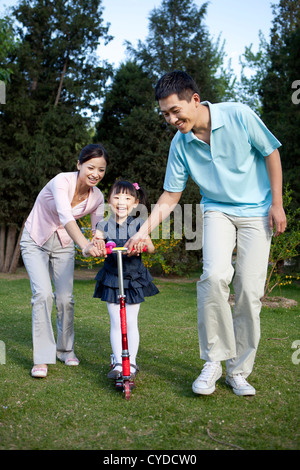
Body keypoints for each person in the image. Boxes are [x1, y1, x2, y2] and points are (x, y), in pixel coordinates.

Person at [126, 70, 287, 396]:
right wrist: (142, 231)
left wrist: (277, 204)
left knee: (249, 293)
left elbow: (271, 152)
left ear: (195, 100)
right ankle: (214, 360)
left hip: (257, 212)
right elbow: (170, 196)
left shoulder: (238, 115)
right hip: (216, 210)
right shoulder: (181, 144)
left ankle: (238, 371)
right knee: (213, 277)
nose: (171, 119)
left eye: (175, 111)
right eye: (165, 114)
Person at [20, 143, 109, 378]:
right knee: (43, 294)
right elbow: (65, 216)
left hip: (63, 244)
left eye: (101, 170)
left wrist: (98, 240)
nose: (96, 174)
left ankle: (65, 349)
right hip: (35, 239)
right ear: (78, 165)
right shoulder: (62, 181)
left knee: (65, 299)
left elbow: (97, 226)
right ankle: (42, 358)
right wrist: (85, 246)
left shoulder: (97, 197)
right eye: (91, 167)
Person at [93, 180, 159, 380]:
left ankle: (132, 361)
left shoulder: (139, 225)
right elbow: (96, 242)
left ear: (136, 202)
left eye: (127, 198)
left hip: (133, 278)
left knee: (130, 321)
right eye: (117, 197)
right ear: (109, 200)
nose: (121, 201)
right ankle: (119, 363)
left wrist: (142, 246)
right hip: (113, 278)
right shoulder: (103, 225)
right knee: (116, 321)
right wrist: (98, 247)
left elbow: (151, 247)